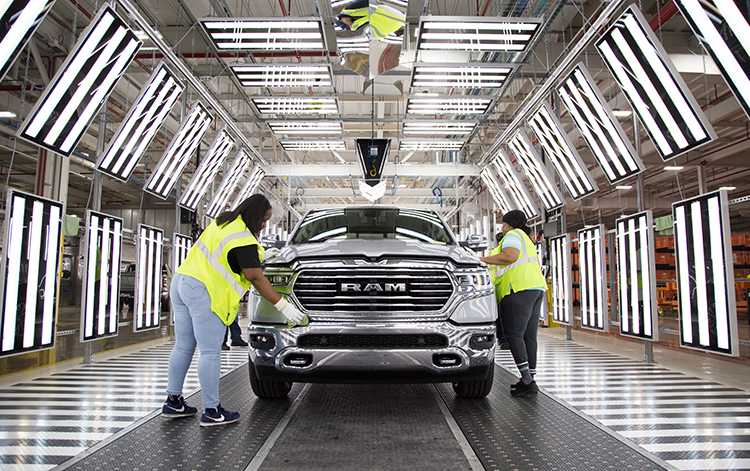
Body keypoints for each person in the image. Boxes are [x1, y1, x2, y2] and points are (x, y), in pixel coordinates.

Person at [161, 194, 304, 426]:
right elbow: (254, 276)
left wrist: (260, 255)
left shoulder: (223, 222)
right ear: (255, 215)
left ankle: (173, 401)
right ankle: (211, 410)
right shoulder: (244, 238)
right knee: (210, 352)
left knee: (183, 346)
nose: (264, 224)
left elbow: (230, 257)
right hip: (203, 290)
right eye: (264, 219)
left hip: (181, 282)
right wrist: (282, 305)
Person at [479, 210, 546, 398]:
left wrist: (480, 259)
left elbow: (510, 256)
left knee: (514, 335)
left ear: (507, 225)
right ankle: (529, 380)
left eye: (503, 224)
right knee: (528, 336)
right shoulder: (526, 239)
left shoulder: (513, 235)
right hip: (535, 288)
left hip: (516, 290)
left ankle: (527, 380)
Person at [487, 231, 510, 350]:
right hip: (506, 287)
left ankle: (502, 339)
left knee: (497, 318)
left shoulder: (491, 253)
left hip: (492, 288)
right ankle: (506, 340)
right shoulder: (508, 253)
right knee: (507, 317)